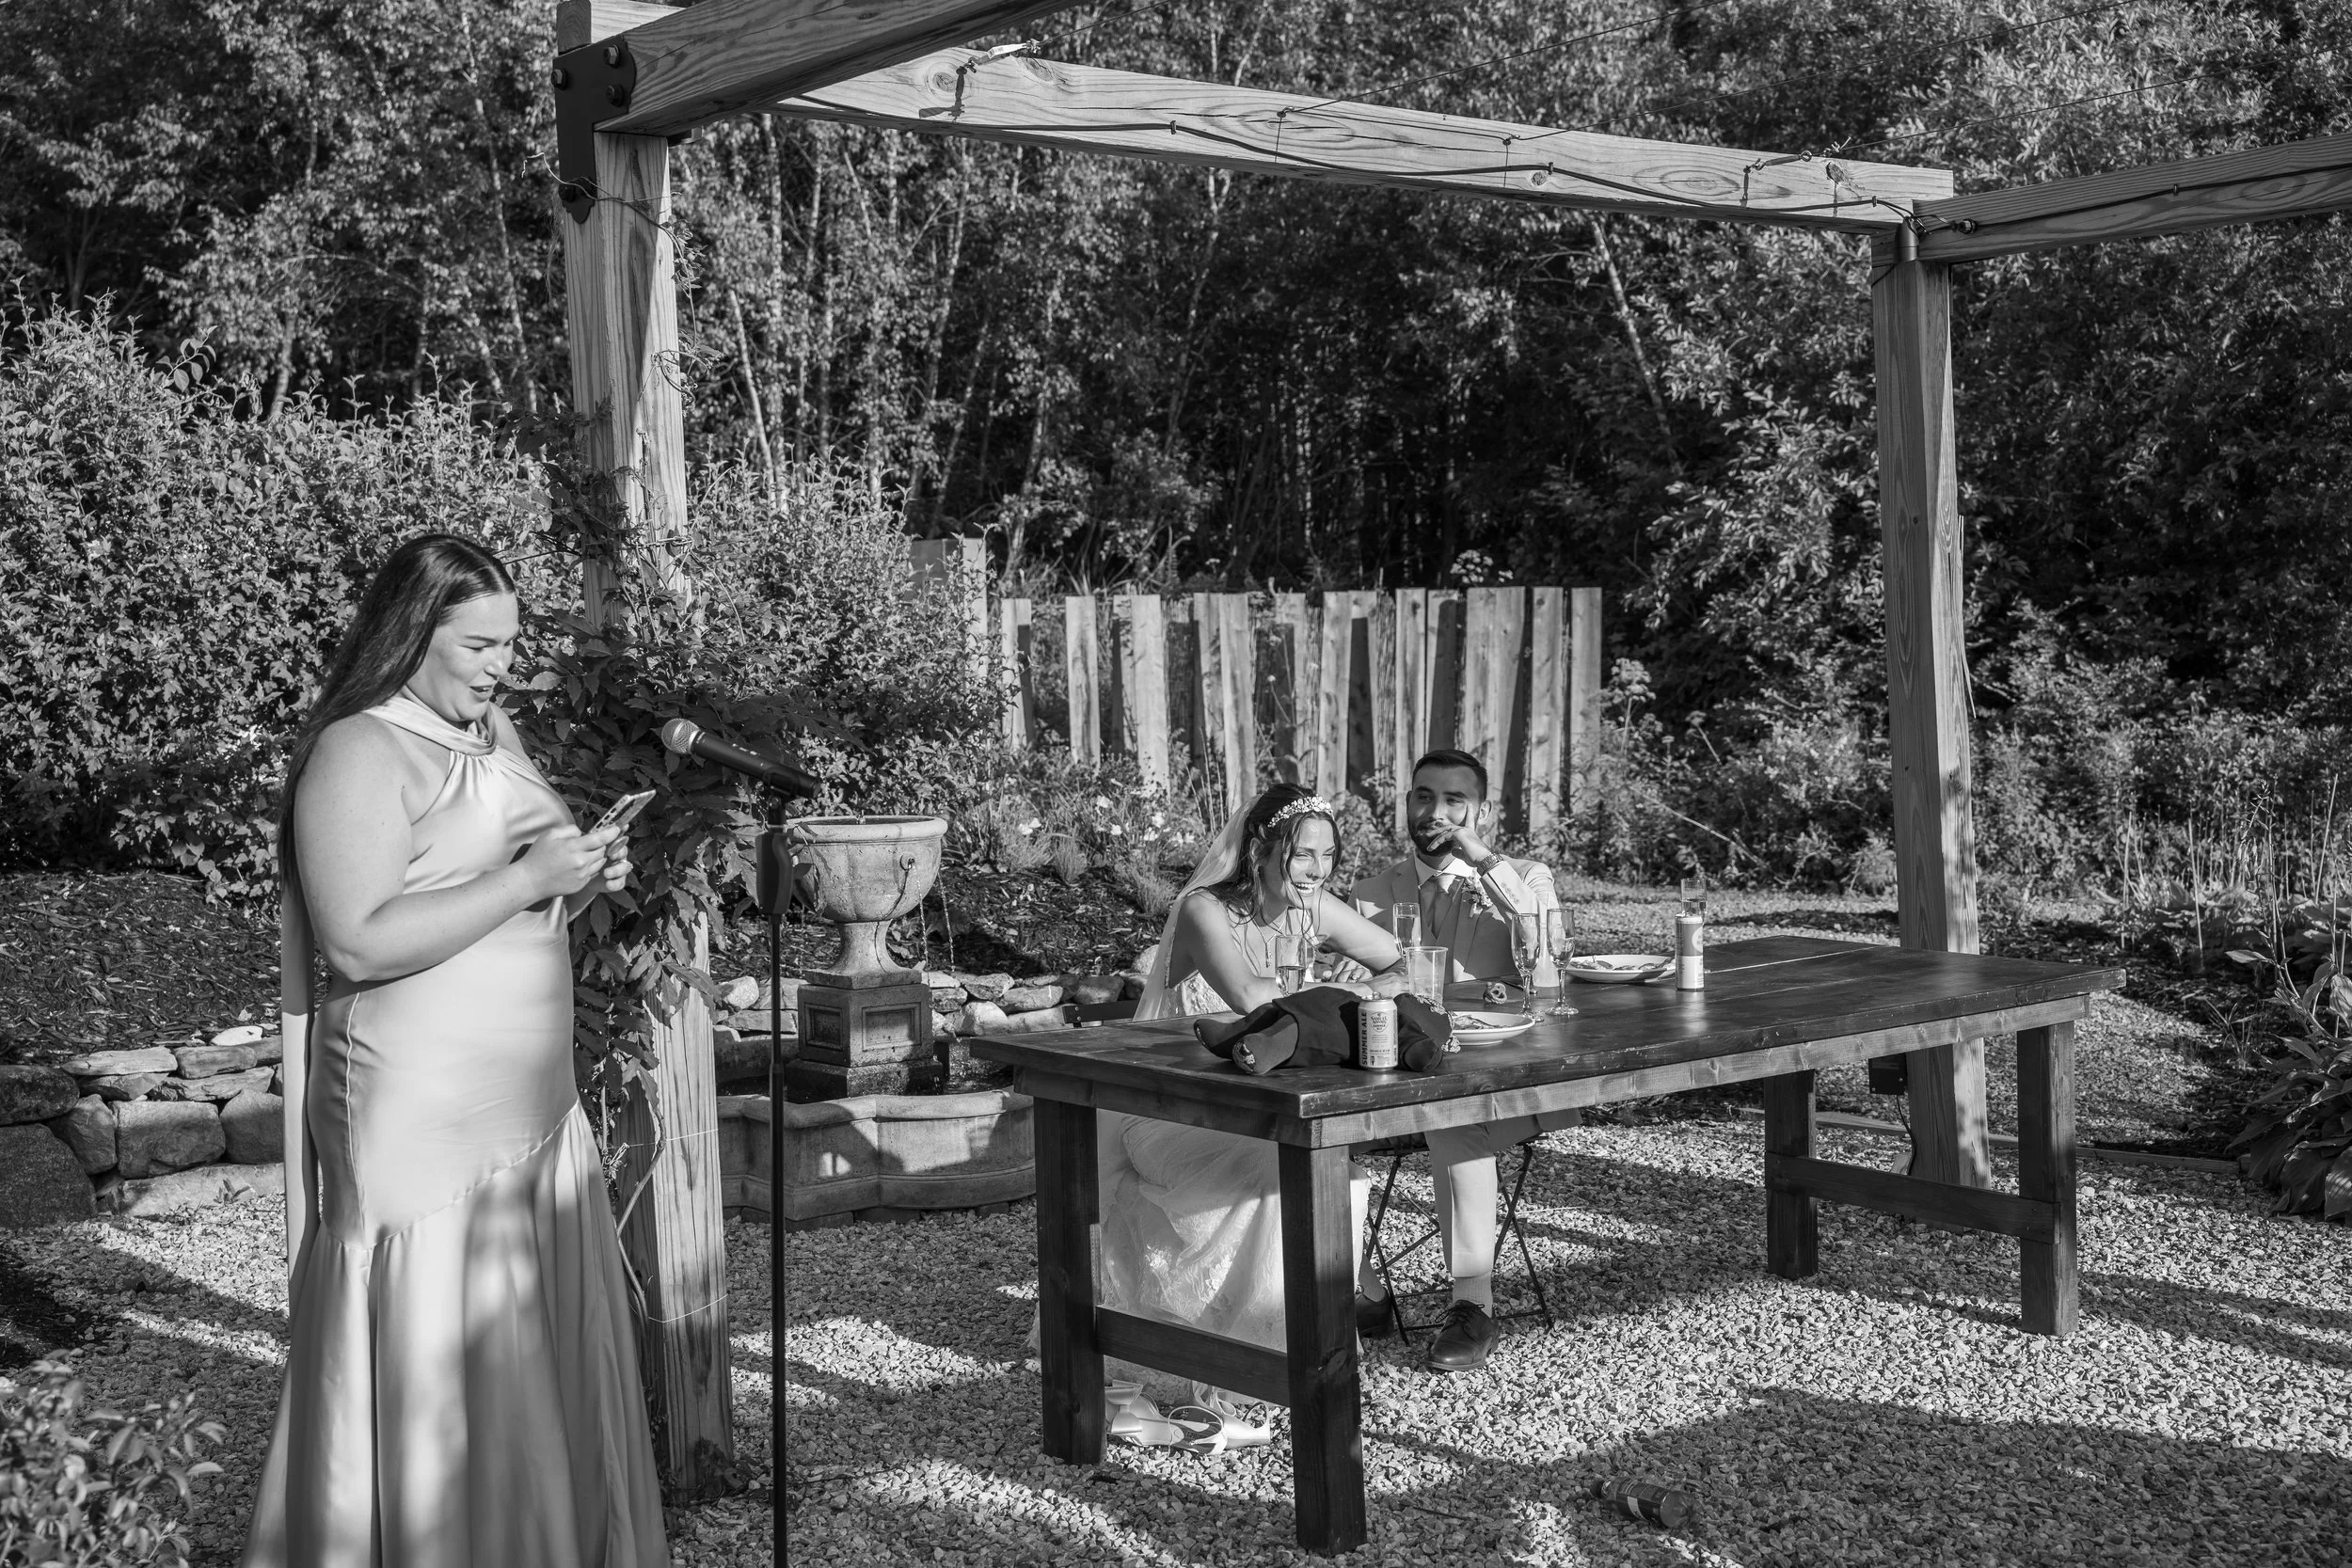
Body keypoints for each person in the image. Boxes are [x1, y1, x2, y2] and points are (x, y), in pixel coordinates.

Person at [245, 534, 667, 1568]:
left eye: (508, 645)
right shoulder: (359, 749)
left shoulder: (494, 729)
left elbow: (491, 901)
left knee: (524, 1342)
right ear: (412, 631)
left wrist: (576, 879)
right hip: (418, 1117)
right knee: (432, 1339)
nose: (498, 667)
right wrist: (528, 880)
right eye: (478, 644)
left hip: (529, 1104)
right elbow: (356, 938)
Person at [1095, 783, 1405, 1449]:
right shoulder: (1206, 910)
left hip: (1259, 1102)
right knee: (1283, 1166)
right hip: (1167, 1110)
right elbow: (1253, 997)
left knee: (1336, 1173)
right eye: (1302, 855)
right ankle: (1227, 1369)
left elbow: (1399, 962)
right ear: (1263, 850)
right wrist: (1341, 991)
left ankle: (1275, 1358)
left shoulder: (1312, 907)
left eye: (1327, 855)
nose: (1317, 871)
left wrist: (1357, 985)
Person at [1349, 747, 1575, 1375]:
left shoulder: (1525, 878)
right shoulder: (1369, 894)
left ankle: (1472, 1306)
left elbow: (1546, 946)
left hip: (1513, 1084)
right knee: (1316, 1131)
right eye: (1424, 796)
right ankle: (1361, 1289)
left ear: (1481, 810)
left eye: (1454, 800)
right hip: (1398, 1080)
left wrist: (1481, 860)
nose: (1436, 811)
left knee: (1455, 1120)